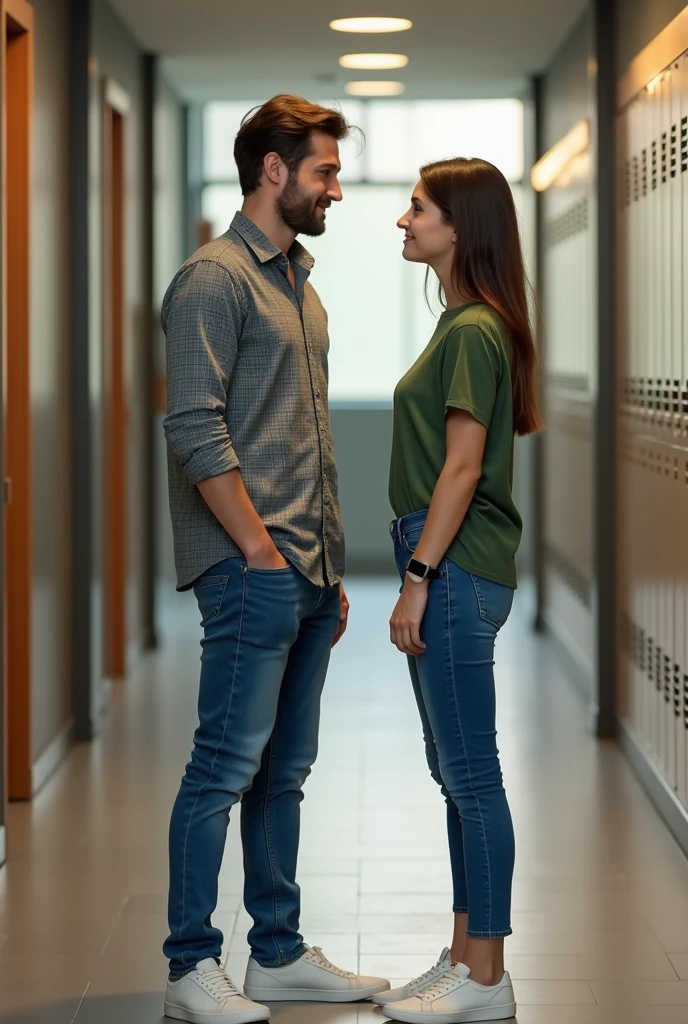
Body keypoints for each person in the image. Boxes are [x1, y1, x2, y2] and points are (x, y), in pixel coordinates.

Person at [160, 94, 390, 1024]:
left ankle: (279, 952)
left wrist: (326, 572)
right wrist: (257, 550)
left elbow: (305, 437)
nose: (336, 188)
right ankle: (188, 965)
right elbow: (195, 426)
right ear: (272, 170)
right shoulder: (213, 281)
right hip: (252, 568)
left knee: (283, 772)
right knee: (222, 765)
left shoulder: (301, 281)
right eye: (325, 172)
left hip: (306, 571)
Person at [378, 158, 541, 1024]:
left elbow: (463, 468)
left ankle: (488, 981)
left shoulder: (475, 328)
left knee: (472, 775)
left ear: (459, 227)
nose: (403, 221)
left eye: (417, 209)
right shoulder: (463, 324)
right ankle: (460, 955)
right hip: (448, 564)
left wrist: (415, 578)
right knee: (457, 775)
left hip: (452, 566)